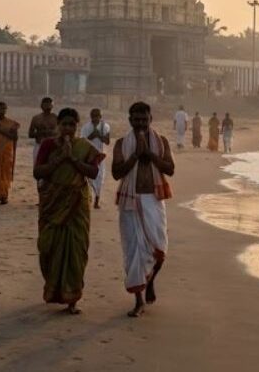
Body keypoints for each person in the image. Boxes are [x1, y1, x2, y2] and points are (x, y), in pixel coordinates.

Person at [33, 107, 100, 314]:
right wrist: (59, 159)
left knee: (76, 249)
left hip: (77, 203)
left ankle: (72, 299)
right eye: (65, 124)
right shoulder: (48, 145)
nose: (68, 128)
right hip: (52, 202)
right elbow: (38, 172)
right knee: (48, 247)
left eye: (72, 124)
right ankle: (54, 289)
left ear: (77, 126)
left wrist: (73, 159)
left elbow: (93, 172)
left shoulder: (84, 146)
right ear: (58, 125)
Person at [112, 101, 175, 317]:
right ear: (130, 120)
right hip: (130, 203)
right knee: (134, 253)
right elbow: (116, 173)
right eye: (136, 119)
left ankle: (150, 281)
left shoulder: (162, 142)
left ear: (151, 119)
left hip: (154, 202)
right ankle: (138, 300)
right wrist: (136, 156)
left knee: (160, 249)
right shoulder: (122, 143)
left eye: (144, 119)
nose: (140, 123)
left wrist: (149, 154)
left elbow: (170, 169)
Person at [80, 108, 112, 209]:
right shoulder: (86, 127)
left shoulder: (105, 127)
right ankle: (88, 199)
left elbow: (107, 141)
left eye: (97, 116)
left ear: (100, 116)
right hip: (89, 156)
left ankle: (96, 201)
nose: (95, 118)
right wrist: (92, 136)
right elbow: (83, 141)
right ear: (91, 116)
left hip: (100, 156)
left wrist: (99, 136)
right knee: (88, 178)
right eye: (94, 116)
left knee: (100, 178)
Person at [28, 98, 58, 190]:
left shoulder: (56, 118)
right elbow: (30, 134)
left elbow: (59, 133)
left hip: (52, 147)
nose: (48, 106)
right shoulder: (36, 118)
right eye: (46, 104)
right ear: (41, 106)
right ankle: (40, 195)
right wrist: (40, 133)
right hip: (39, 145)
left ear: (53, 105)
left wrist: (50, 132)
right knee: (39, 170)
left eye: (50, 104)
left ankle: (49, 196)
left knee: (52, 170)